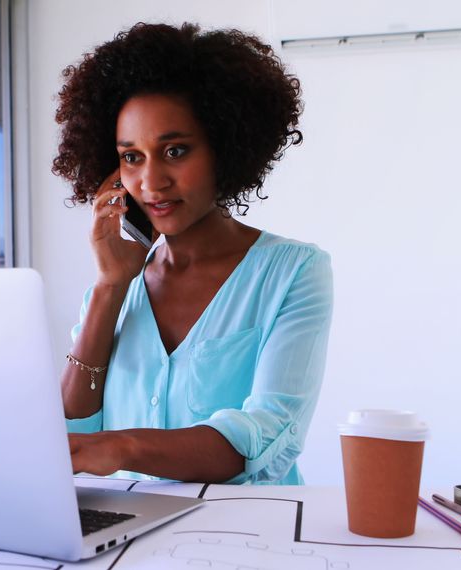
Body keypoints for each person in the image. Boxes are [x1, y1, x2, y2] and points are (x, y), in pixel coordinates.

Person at [52, 22, 333, 485]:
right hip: (130, 539)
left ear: (224, 150)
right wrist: (110, 287)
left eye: (175, 150)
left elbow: (266, 436)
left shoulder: (294, 273)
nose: (151, 182)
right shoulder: (115, 286)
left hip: (249, 538)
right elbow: (73, 429)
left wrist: (123, 446)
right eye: (132, 157)